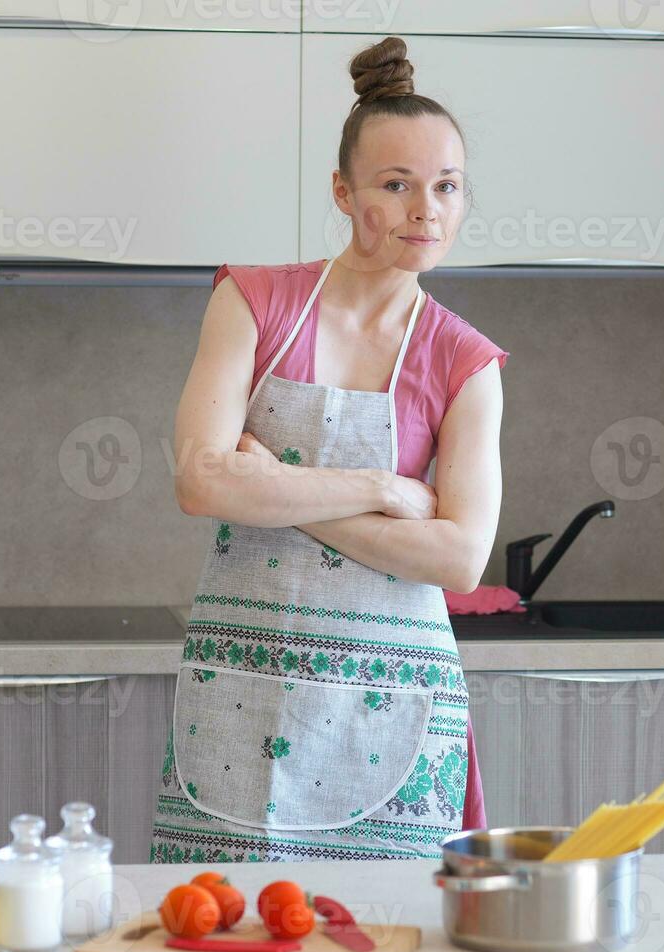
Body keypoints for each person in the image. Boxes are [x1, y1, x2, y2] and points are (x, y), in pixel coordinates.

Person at [149, 35, 508, 862]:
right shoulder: (254, 300)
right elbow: (202, 482)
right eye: (397, 185)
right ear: (343, 193)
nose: (427, 210)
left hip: (392, 715)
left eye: (447, 187)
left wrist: (273, 484)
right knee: (225, 942)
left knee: (386, 945)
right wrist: (381, 488)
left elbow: (457, 557)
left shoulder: (465, 362)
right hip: (241, 703)